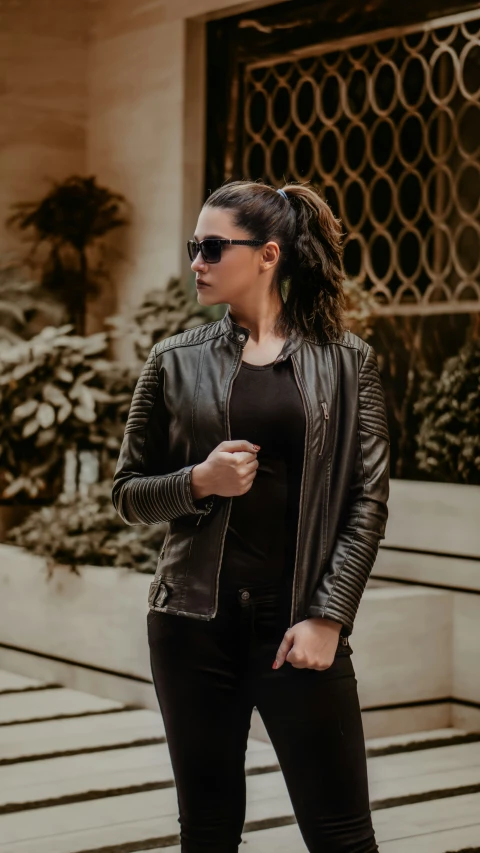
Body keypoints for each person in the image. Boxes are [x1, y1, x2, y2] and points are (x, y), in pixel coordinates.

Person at [112, 179, 390, 852]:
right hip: (190, 626)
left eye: (212, 246)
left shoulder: (349, 363)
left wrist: (328, 616)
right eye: (193, 247)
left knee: (343, 835)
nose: (197, 262)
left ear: (267, 255)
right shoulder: (172, 360)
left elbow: (368, 499)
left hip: (297, 625)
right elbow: (127, 492)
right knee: (207, 833)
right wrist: (197, 480)